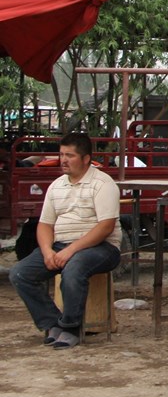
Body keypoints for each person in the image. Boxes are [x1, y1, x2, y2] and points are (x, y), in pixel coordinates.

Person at [9, 132, 123, 349]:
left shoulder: (102, 183)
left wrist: (69, 251)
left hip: (101, 247)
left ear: (86, 158)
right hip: (61, 245)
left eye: (70, 155)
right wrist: (47, 251)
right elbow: (45, 224)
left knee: (74, 268)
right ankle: (52, 323)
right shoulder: (56, 185)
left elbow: (105, 227)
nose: (63, 160)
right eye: (61, 154)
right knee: (20, 273)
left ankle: (71, 327)